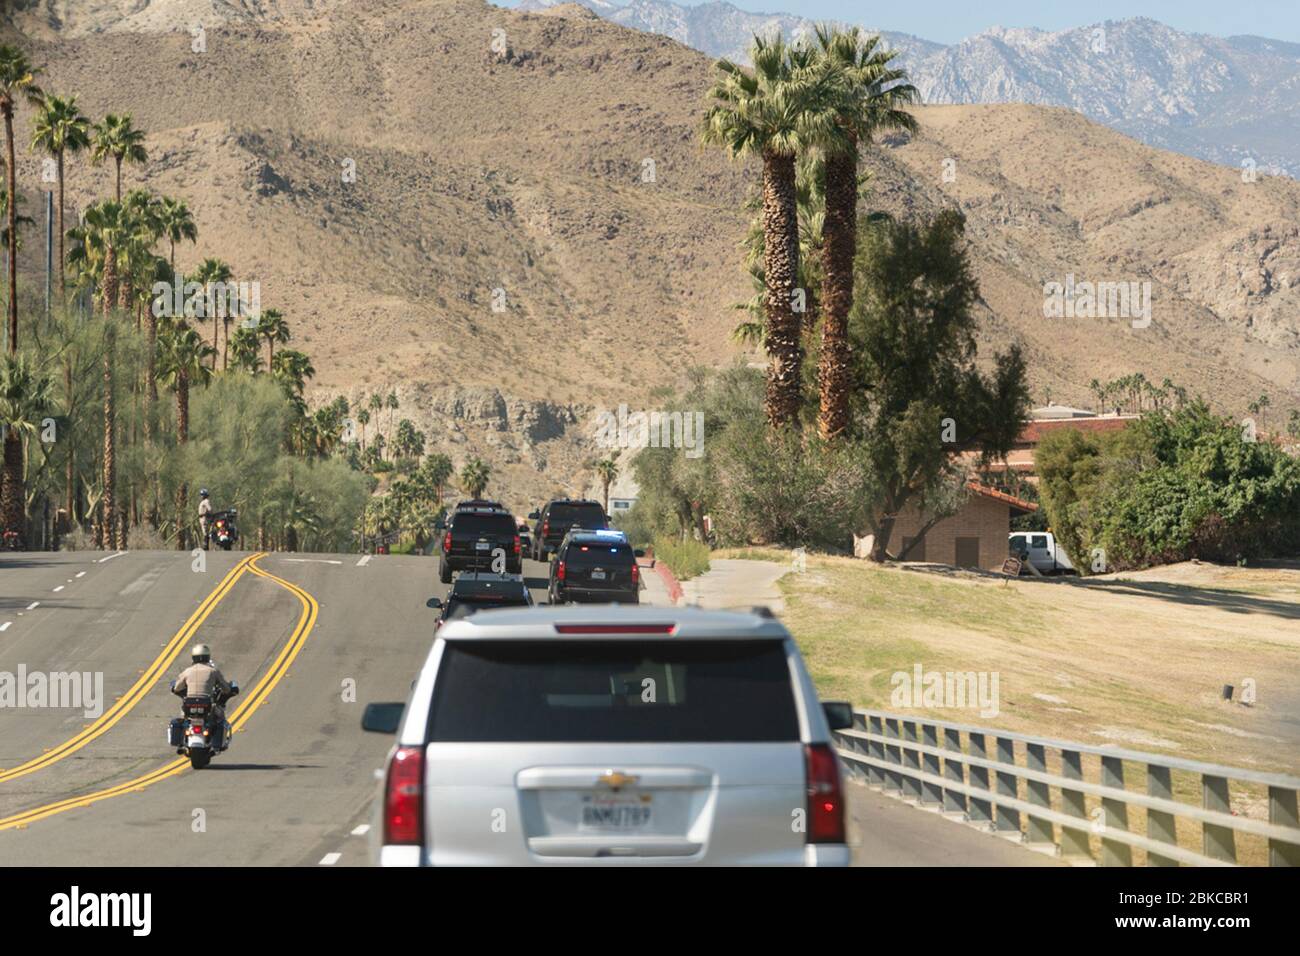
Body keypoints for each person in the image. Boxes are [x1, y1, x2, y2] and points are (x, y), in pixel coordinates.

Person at [172, 643, 233, 748]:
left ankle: (181, 741)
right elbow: (226, 688)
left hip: (189, 705)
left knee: (183, 717)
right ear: (207, 657)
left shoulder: (187, 671)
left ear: (193, 657)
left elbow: (177, 688)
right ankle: (218, 742)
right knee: (220, 718)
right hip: (207, 705)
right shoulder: (212, 671)